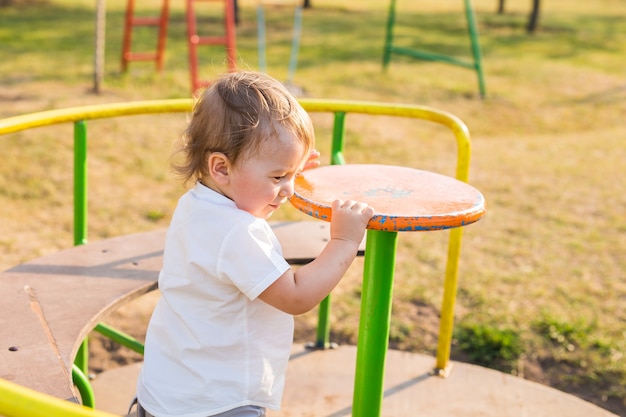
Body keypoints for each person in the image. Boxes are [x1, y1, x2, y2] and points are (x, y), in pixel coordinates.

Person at [134, 70, 375, 417]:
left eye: (291, 175)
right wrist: (344, 239)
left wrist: (281, 168)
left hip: (168, 392)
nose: (289, 189)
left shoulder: (197, 205)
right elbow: (295, 295)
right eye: (279, 177)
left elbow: (246, 208)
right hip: (218, 403)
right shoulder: (239, 233)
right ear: (221, 168)